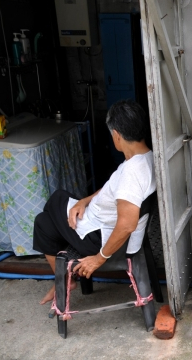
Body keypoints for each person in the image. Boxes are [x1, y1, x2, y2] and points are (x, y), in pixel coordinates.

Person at [33, 100, 156, 305]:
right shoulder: (145, 157)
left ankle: (62, 279)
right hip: (101, 223)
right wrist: (84, 201)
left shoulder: (132, 174)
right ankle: (62, 277)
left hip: (97, 237)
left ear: (116, 135)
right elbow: (113, 188)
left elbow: (127, 224)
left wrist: (98, 258)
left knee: (53, 205)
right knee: (46, 221)